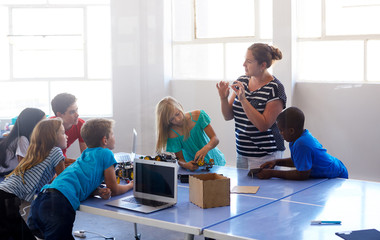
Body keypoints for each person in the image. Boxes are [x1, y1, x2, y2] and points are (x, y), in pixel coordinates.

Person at [29, 118, 133, 239]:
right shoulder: (106, 153)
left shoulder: (84, 155)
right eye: (112, 134)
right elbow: (114, 190)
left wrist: (97, 190)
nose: (114, 137)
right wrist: (131, 185)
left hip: (42, 198)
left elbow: (79, 179)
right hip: (59, 204)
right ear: (105, 140)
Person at [216, 43, 287, 170]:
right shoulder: (242, 81)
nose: (244, 64)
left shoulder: (275, 88)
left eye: (249, 61)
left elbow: (263, 126)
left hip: (266, 154)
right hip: (243, 152)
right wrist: (223, 98)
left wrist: (243, 100)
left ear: (263, 65)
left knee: (264, 190)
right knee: (243, 189)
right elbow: (228, 116)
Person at [0, 118, 66, 240]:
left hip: (3, 193)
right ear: (52, 136)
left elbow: (45, 176)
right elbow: (64, 180)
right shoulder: (56, 151)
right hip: (7, 199)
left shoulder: (36, 151)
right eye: (62, 133)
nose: (66, 136)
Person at [256, 107, 348, 180]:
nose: (280, 133)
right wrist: (276, 162)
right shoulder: (299, 138)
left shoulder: (302, 144)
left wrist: (272, 173)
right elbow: (298, 160)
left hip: (337, 175)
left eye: (281, 130)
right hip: (336, 169)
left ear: (291, 131)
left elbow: (302, 174)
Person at [155, 96, 226, 171]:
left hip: (215, 161)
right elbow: (180, 159)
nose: (178, 119)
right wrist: (185, 164)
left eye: (177, 114)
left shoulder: (198, 116)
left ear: (180, 106)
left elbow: (215, 139)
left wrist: (205, 148)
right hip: (195, 168)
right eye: (172, 119)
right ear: (167, 122)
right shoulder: (172, 134)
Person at [0, 108, 46, 176]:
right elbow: (24, 166)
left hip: (12, 172)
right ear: (33, 124)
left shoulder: (25, 137)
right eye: (43, 123)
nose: (45, 126)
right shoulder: (22, 139)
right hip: (6, 174)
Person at [51, 93, 87, 166]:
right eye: (72, 112)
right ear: (59, 115)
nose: (77, 114)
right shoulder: (49, 127)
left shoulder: (81, 125)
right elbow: (47, 158)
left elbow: (85, 154)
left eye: (76, 110)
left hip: (62, 157)